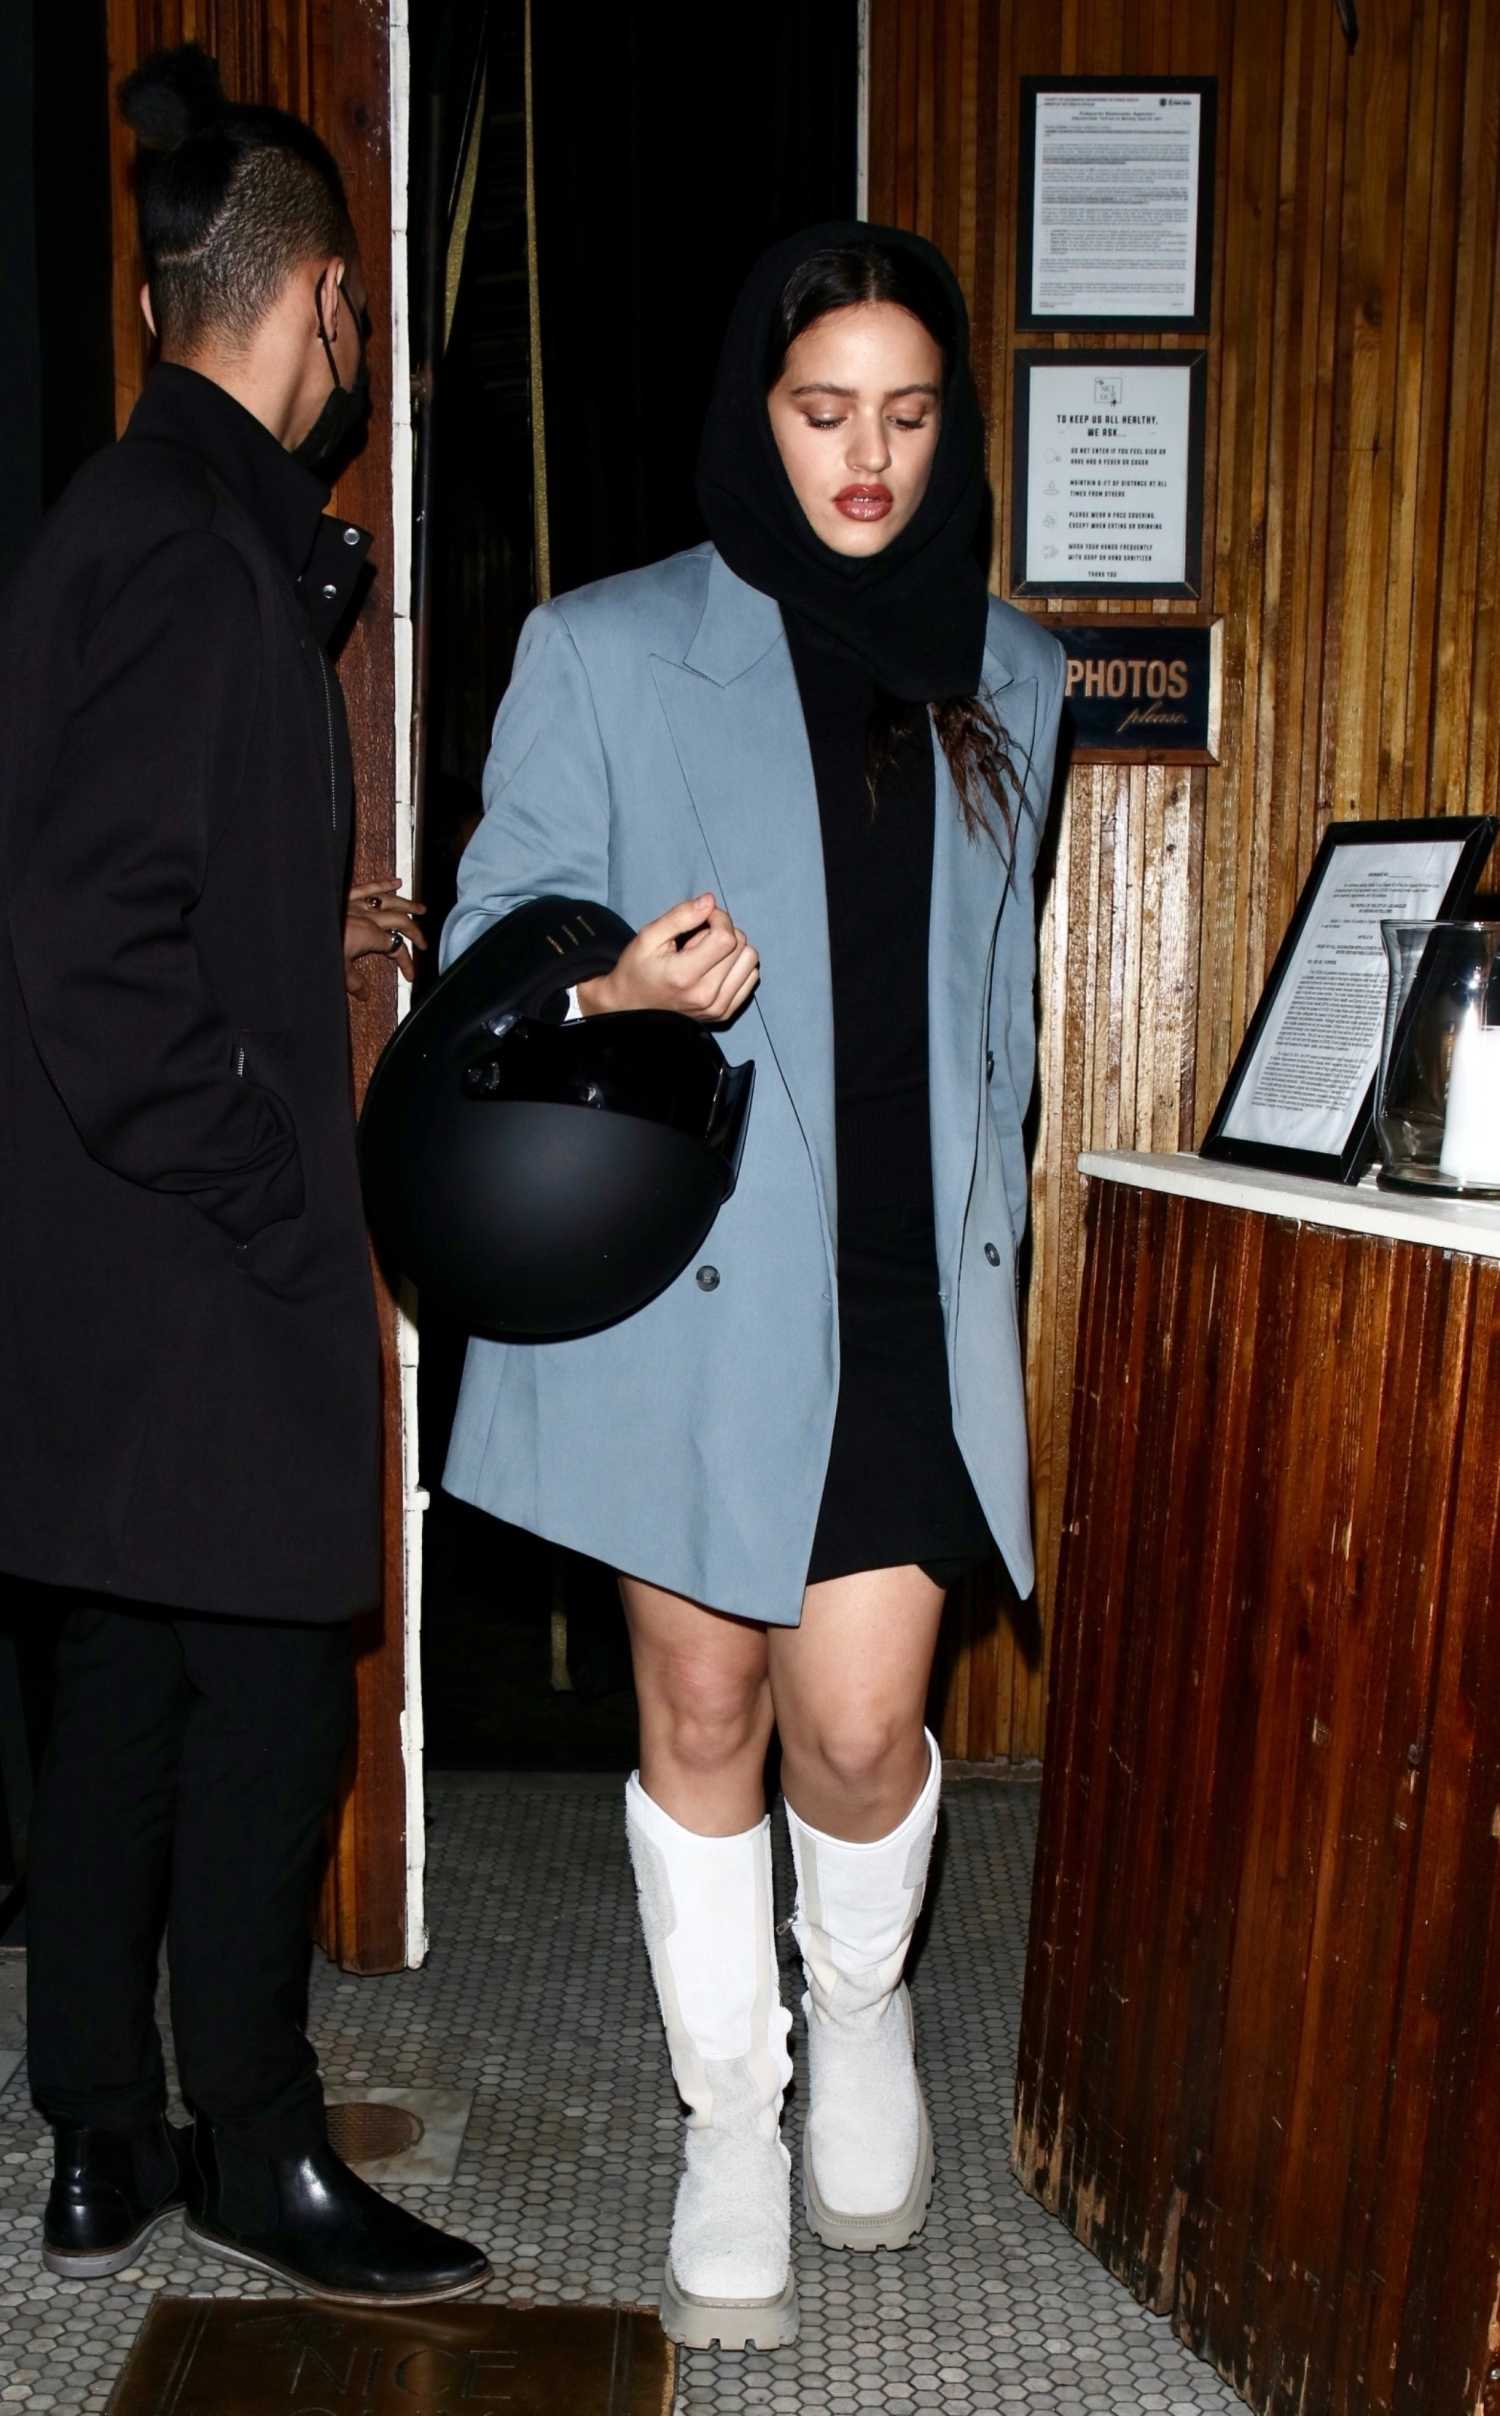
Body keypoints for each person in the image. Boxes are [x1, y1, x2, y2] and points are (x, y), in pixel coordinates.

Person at [442, 221, 1065, 2348]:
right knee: (702, 1697)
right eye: (824, 412)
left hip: (895, 1278)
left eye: (906, 413)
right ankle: (734, 2107)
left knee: (866, 1723)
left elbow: (997, 1013)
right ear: (757, 414)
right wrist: (608, 977)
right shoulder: (607, 649)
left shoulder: (1016, 672)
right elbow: (488, 936)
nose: (865, 456)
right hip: (688, 1277)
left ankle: (861, 1994)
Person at [0, 44, 484, 2303]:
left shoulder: (118, 520)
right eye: (360, 314)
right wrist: (280, 1185)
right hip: (208, 1241)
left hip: (98, 1256)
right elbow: (99, 949)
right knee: (279, 1683)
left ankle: (99, 2127)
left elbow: (136, 877)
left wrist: (316, 944)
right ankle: (255, 2148)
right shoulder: (210, 555)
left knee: (116, 1673)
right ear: (317, 303)